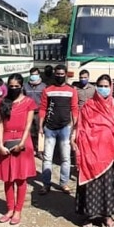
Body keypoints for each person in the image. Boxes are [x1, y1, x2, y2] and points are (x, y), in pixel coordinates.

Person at [73, 74, 114, 227]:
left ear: (111, 87)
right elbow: (80, 128)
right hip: (90, 153)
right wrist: (76, 144)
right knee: (90, 185)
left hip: (110, 154)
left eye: (106, 86)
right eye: (100, 86)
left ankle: (107, 217)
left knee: (108, 186)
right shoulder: (88, 105)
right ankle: (89, 216)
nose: (103, 89)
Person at [0, 74, 36, 225]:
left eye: (16, 86)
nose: (13, 88)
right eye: (11, 86)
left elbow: (28, 125)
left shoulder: (29, 102)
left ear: (21, 86)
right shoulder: (1, 102)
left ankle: (18, 210)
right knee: (7, 178)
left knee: (20, 178)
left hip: (22, 141)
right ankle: (10, 209)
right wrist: (0, 144)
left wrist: (22, 143)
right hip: (6, 140)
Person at [39, 64, 78, 195]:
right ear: (54, 74)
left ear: (65, 74)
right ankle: (46, 184)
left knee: (66, 158)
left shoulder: (72, 90)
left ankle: (64, 183)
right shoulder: (47, 89)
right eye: (57, 74)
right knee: (47, 158)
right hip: (50, 128)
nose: (59, 76)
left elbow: (74, 109)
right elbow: (43, 108)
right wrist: (40, 126)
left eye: (62, 74)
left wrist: (74, 127)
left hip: (65, 128)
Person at [24, 67, 46, 155]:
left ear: (39, 75)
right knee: (29, 131)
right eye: (32, 75)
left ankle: (40, 151)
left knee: (40, 131)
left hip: (39, 112)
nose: (33, 76)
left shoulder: (43, 86)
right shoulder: (25, 86)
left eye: (35, 74)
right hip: (28, 112)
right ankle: (31, 149)